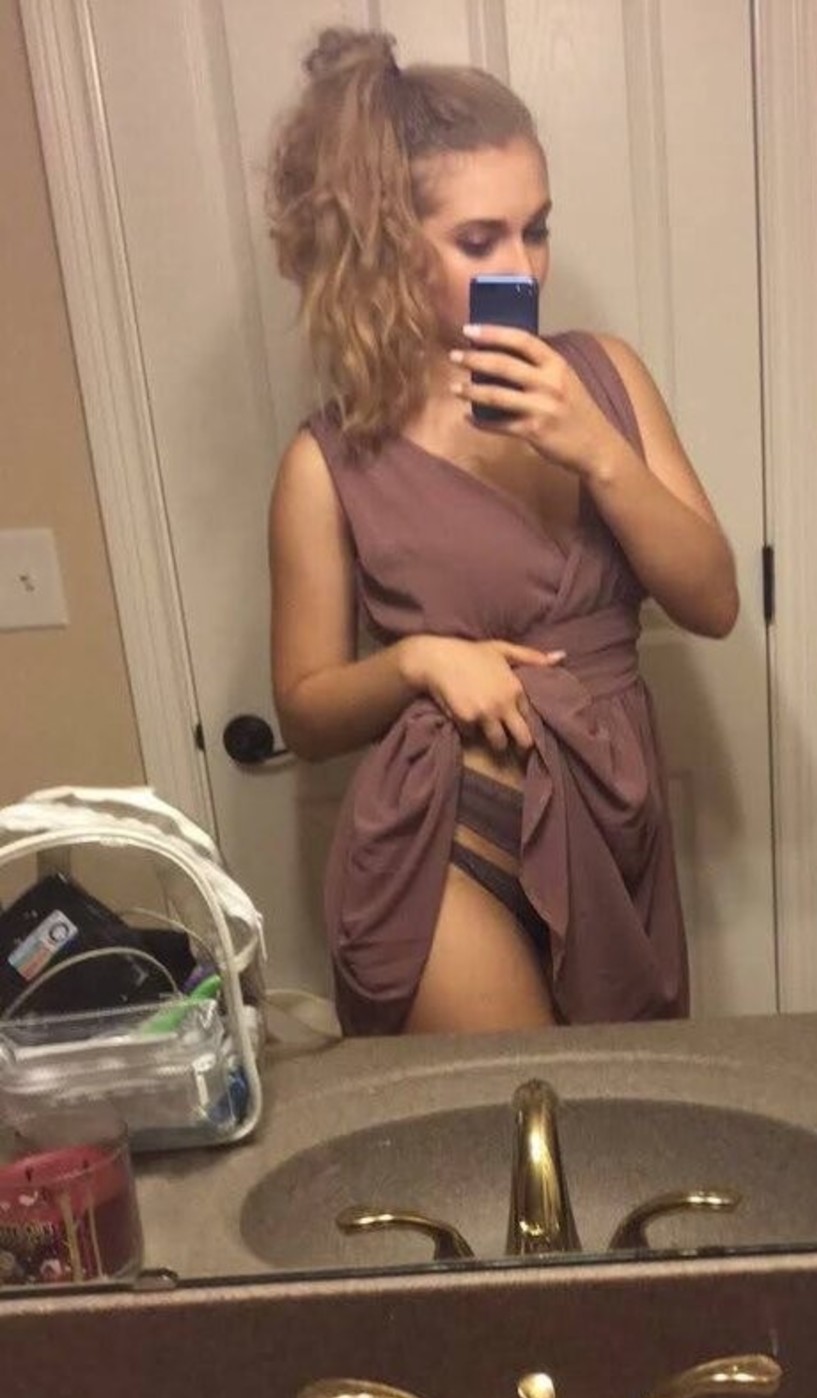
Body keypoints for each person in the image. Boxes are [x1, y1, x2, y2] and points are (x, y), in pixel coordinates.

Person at [267, 28, 738, 1037]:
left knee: (624, 1105)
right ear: (388, 246)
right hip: (443, 831)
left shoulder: (603, 375)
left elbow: (713, 602)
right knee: (527, 1110)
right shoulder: (329, 461)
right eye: (479, 240)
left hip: (611, 820)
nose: (523, 267)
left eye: (538, 229)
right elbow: (303, 711)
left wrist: (597, 449)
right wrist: (419, 662)